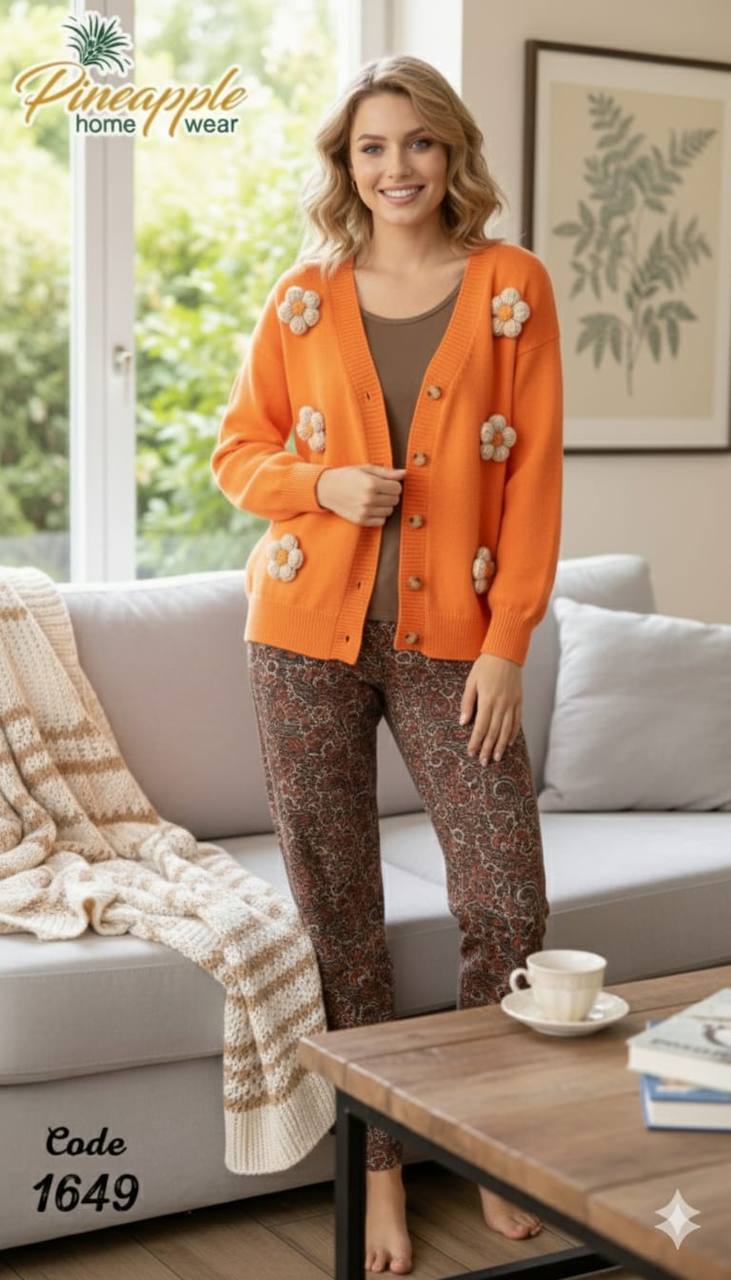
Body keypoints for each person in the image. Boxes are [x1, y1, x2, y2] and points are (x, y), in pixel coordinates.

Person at [210, 53, 563, 1277]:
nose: (395, 166)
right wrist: (320, 484)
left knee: (506, 899)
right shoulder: (303, 295)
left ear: (449, 150)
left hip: (452, 643)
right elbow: (236, 453)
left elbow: (533, 479)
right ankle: (379, 1163)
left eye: (416, 141)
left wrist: (507, 644)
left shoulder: (511, 286)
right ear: (344, 163)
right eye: (370, 146)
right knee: (338, 909)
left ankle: (485, 1138)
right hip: (298, 636)